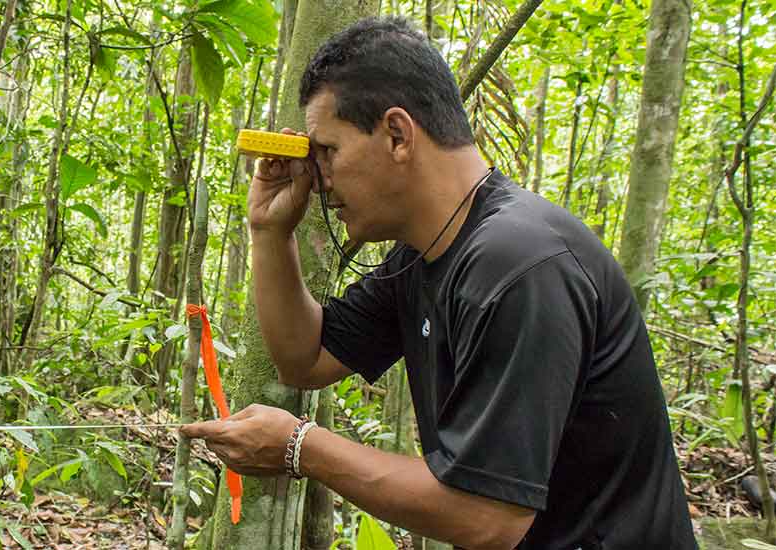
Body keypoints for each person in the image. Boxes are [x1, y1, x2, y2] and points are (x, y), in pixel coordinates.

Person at [180, 16, 697, 549]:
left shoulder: (519, 261)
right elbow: (306, 358)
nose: (318, 178)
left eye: (328, 151)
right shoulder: (427, 252)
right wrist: (269, 231)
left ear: (398, 135)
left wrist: (299, 447)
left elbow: (488, 518)